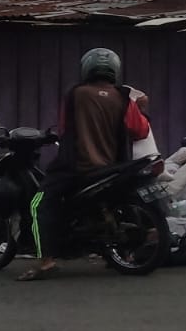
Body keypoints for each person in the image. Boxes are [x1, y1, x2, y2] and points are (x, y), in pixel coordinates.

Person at [21, 48, 151, 281]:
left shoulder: (76, 94)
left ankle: (47, 261)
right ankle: (124, 254)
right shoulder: (123, 98)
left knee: (39, 203)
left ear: (86, 67)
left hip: (76, 168)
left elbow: (63, 129)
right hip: (112, 168)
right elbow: (140, 131)